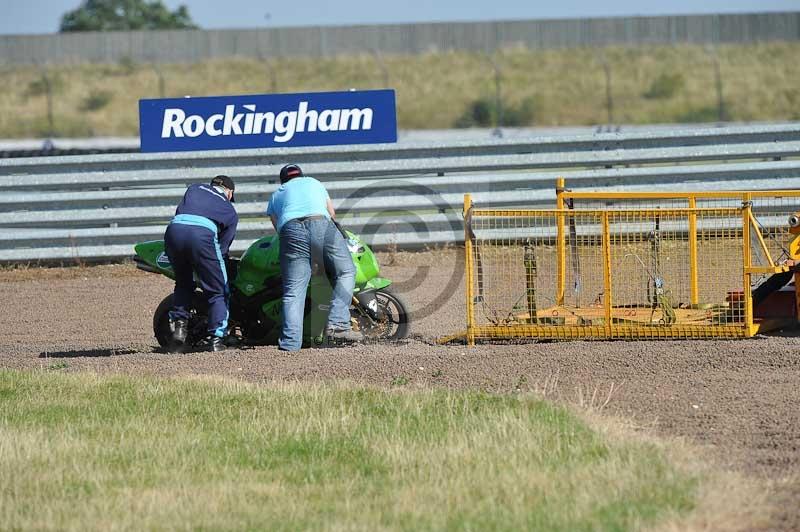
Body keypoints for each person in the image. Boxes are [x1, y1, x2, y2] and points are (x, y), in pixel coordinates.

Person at [266, 164, 362, 351]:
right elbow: (331, 213)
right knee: (346, 271)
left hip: (291, 230)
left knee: (294, 291)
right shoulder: (314, 182)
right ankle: (337, 324)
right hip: (320, 223)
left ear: (283, 180)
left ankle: (290, 344)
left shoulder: (278, 193)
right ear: (301, 176)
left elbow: (277, 226)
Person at [164, 175, 239, 352]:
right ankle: (216, 339)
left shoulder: (194, 188)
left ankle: (179, 329)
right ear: (229, 192)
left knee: (183, 283)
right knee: (218, 290)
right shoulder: (230, 210)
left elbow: (182, 212)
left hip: (173, 231)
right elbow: (222, 249)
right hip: (202, 236)